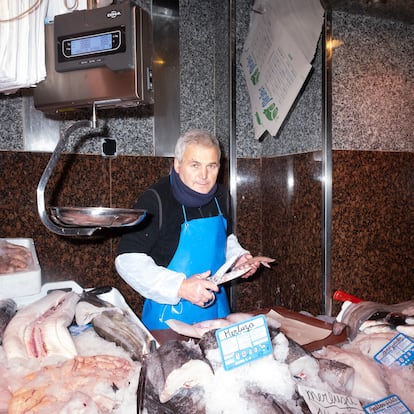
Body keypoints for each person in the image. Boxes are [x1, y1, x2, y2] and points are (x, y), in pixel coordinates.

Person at [115, 129, 261, 330]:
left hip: (218, 312)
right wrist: (180, 287)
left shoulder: (221, 195)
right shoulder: (156, 200)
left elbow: (225, 239)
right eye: (195, 165)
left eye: (211, 166)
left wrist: (238, 260)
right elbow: (127, 260)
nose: (204, 176)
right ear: (177, 164)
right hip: (169, 320)